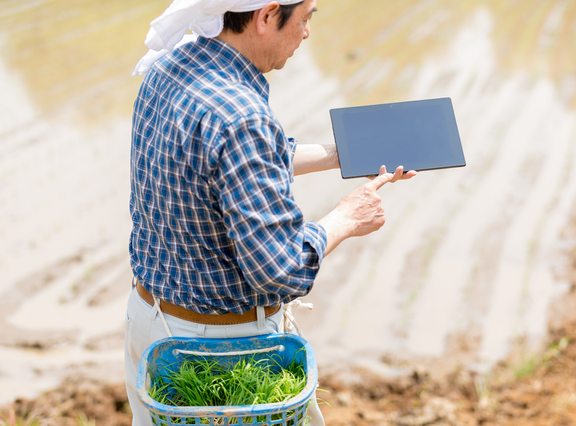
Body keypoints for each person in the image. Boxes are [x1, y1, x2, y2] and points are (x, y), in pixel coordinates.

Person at [124, 0, 417, 424]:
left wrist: (340, 155)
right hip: (221, 352)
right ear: (266, 16)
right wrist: (347, 218)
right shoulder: (242, 116)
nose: (307, 32)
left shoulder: (173, 65)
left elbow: (228, 164)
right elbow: (280, 269)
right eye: (306, 17)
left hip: (150, 319)